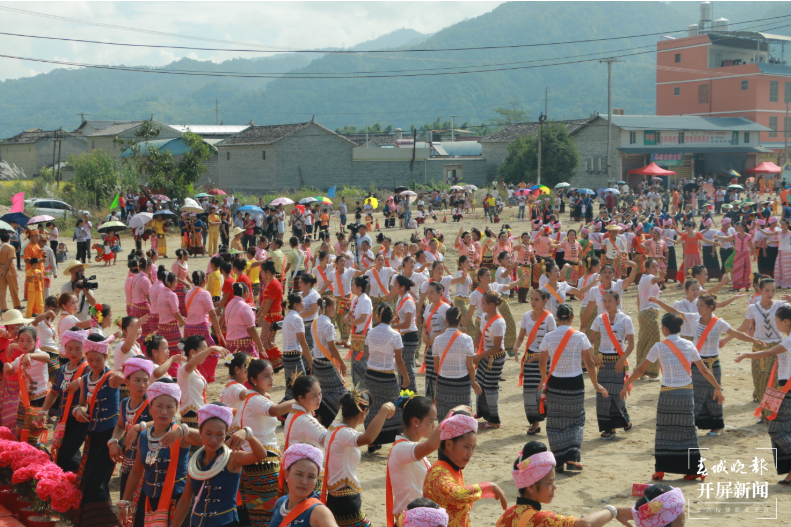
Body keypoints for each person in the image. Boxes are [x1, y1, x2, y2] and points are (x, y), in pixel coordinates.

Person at [621, 313, 720, 481]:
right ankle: (696, 470)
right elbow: (704, 370)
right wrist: (718, 387)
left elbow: (641, 369)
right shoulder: (689, 345)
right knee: (688, 431)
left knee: (664, 430)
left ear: (665, 329)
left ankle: (661, 470)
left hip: (668, 393)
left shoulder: (659, 346)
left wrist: (626, 384)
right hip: (687, 393)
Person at [651, 294, 763, 435]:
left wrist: (754, 340)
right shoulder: (694, 318)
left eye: (701, 306)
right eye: (697, 305)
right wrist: (658, 301)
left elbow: (736, 334)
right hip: (697, 362)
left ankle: (716, 426)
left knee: (713, 394)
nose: (698, 308)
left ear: (710, 307)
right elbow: (676, 312)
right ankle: (692, 424)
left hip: (713, 363)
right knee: (695, 393)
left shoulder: (719, 322)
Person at [496, 441, 633, 527]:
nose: (554, 487)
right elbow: (585, 524)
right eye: (549, 483)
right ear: (531, 487)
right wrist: (615, 510)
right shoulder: (541, 520)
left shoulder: (505, 517)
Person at [538, 303, 605, 472]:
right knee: (575, 420)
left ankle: (559, 460)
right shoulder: (580, 336)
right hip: (575, 382)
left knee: (556, 420)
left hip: (555, 383)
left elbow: (543, 361)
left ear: (557, 318)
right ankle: (572, 458)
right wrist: (595, 383)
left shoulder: (549, 337)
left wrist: (543, 378)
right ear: (572, 317)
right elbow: (589, 363)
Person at [117, 380, 192, 527]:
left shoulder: (181, 435)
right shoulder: (144, 436)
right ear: (150, 409)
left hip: (176, 500)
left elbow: (206, 440)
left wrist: (184, 429)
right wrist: (124, 502)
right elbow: (136, 471)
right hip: (149, 498)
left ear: (176, 409)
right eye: (159, 406)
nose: (164, 412)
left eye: (170, 407)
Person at [231, 359, 296, 526]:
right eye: (266, 376)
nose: (271, 379)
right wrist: (300, 400)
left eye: (272, 374)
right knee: (269, 514)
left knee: (258, 513)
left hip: (252, 462)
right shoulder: (254, 398)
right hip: (264, 463)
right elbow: (275, 410)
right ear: (253, 380)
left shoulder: (249, 399)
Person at [71, 334, 124, 526]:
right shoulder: (85, 379)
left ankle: (106, 521)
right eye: (90, 359)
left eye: (98, 360)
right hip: (93, 434)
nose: (93, 363)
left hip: (111, 435)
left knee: (97, 479)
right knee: (91, 477)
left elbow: (125, 377)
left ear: (106, 358)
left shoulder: (111, 377)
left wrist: (121, 374)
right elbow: (83, 403)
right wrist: (79, 410)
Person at [321, 390, 396, 527]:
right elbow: (368, 438)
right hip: (345, 498)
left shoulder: (334, 428)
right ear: (364, 412)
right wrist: (384, 410)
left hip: (336, 496)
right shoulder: (344, 433)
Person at [423, 412, 507, 527]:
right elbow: (456, 494)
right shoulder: (438, 473)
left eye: (473, 448)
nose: (470, 454)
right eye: (466, 447)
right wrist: (489, 487)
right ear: (448, 445)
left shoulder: (454, 469)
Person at [724, 277, 786, 422]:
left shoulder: (781, 305)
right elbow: (743, 328)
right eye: (767, 290)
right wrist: (725, 339)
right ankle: (763, 413)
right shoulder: (753, 308)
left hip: (777, 347)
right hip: (758, 347)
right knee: (759, 382)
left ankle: (772, 414)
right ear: (760, 290)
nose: (770, 293)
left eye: (773, 290)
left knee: (775, 382)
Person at [38, 327, 89, 470]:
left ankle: (78, 481)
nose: (73, 352)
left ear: (84, 349)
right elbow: (54, 392)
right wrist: (43, 412)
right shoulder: (62, 369)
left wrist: (79, 381)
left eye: (78, 349)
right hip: (64, 418)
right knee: (64, 453)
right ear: (64, 349)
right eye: (70, 348)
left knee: (65, 455)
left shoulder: (88, 369)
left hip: (81, 418)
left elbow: (100, 378)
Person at [589, 291, 634, 439]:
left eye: (610, 301)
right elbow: (590, 341)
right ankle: (610, 428)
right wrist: (593, 356)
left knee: (616, 394)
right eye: (604, 301)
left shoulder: (626, 319)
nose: (607, 304)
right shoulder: (599, 319)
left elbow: (631, 345)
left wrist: (622, 360)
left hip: (619, 362)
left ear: (617, 301)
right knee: (603, 395)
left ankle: (625, 421)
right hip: (603, 362)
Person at [107, 357, 153, 498]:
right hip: (129, 461)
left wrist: (139, 427)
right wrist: (113, 441)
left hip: (149, 463)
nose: (142, 385)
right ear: (127, 381)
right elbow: (121, 425)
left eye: (145, 380)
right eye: (137, 380)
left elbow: (170, 421)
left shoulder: (153, 402)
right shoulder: (125, 403)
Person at [512, 290, 556, 436]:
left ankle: (551, 421)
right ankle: (535, 423)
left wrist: (542, 354)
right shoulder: (526, 316)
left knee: (544, 391)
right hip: (530, 359)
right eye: (532, 299)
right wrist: (516, 346)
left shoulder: (549, 318)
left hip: (544, 358)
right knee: (530, 393)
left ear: (544, 301)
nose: (533, 302)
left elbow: (554, 342)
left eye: (536, 299)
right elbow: (520, 337)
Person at [268, 444, 338, 527]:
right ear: (287, 475)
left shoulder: (319, 512)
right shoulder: (280, 503)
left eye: (311, 477)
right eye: (299, 474)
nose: (304, 482)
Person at [432, 306, 480, 421]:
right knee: (462, 418)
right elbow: (470, 366)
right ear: (460, 321)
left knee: (444, 419)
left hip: (443, 383)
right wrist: (473, 382)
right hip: (462, 384)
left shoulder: (437, 340)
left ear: (446, 321)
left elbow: (435, 367)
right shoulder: (467, 339)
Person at [309, 297, 348, 427]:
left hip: (317, 363)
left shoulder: (315, 322)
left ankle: (319, 419)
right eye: (335, 307)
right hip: (326, 365)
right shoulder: (328, 325)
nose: (336, 310)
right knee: (342, 392)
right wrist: (342, 363)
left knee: (324, 392)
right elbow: (332, 348)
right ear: (330, 307)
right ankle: (324, 419)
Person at [6, 326, 49, 445]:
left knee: (33, 434)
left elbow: (47, 357)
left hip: (39, 398)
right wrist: (7, 366)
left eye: (29, 340)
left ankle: (38, 456)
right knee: (21, 429)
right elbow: (12, 368)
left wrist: (30, 356)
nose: (25, 343)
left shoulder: (38, 355)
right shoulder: (20, 358)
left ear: (36, 341)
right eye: (21, 340)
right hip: (24, 400)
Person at [185, 270, 224, 382]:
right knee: (213, 354)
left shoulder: (188, 293)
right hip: (201, 327)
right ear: (204, 281)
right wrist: (218, 331)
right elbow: (212, 314)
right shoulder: (205, 293)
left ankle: (193, 374)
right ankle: (204, 375)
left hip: (188, 327)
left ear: (192, 280)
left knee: (191, 354)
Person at [634, 259, 665, 381]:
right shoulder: (648, 277)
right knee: (653, 341)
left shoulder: (643, 279)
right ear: (646, 268)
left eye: (657, 266)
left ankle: (641, 371)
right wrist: (660, 277)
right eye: (653, 266)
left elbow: (638, 297)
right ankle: (652, 372)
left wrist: (640, 312)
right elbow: (654, 279)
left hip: (644, 313)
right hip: (649, 313)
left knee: (644, 342)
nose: (656, 268)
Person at [257, 261, 284, 371]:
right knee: (268, 341)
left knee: (264, 341)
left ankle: (280, 358)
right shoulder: (271, 283)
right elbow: (265, 302)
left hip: (271, 316)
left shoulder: (273, 284)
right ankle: (276, 362)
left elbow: (268, 303)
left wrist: (261, 316)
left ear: (267, 272)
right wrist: (258, 315)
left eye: (262, 272)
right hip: (272, 315)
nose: (261, 275)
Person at [227, 282, 265, 358]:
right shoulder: (244, 306)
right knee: (251, 367)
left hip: (230, 343)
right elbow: (252, 330)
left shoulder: (229, 304)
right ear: (246, 293)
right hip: (243, 343)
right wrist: (261, 347)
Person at [0, 232, 21, 311]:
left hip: (0, 268)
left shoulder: (0, 246)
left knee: (2, 289)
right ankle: (16, 305)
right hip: (9, 269)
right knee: (14, 288)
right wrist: (5, 270)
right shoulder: (10, 247)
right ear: (9, 239)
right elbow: (10, 259)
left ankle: (3, 307)